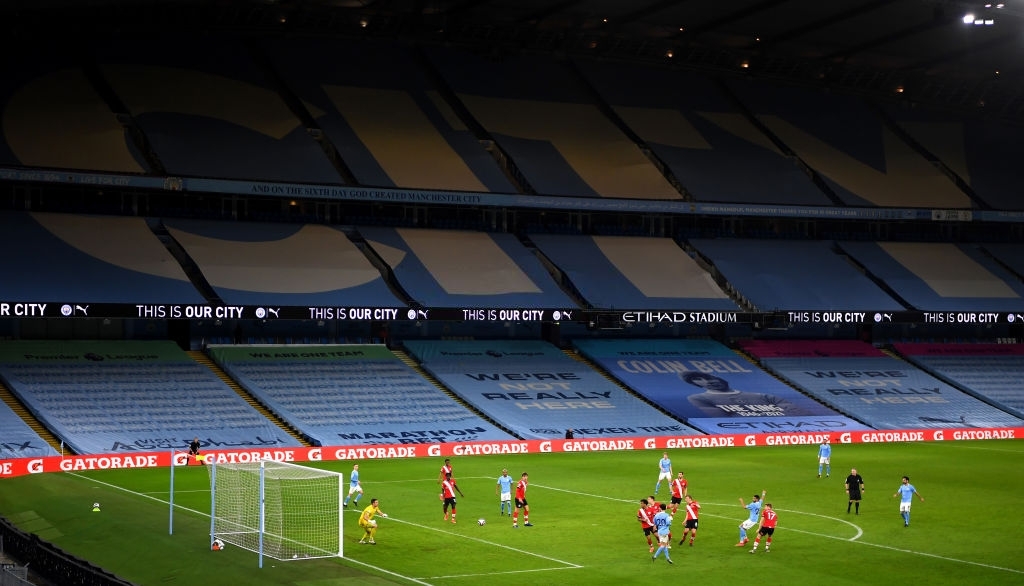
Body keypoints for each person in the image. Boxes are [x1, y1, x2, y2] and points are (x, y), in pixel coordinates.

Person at [679, 372, 814, 417]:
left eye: (708, 377)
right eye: (698, 379)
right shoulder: (698, 398)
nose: (707, 381)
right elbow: (720, 418)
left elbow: (801, 413)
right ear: (696, 385)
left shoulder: (763, 396)